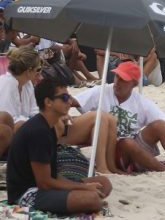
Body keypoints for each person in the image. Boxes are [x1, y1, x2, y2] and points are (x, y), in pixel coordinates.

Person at [73, 61, 165, 177]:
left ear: (133, 84)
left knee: (160, 125)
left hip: (130, 149)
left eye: (123, 80)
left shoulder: (140, 101)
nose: (117, 82)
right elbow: (75, 101)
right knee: (127, 142)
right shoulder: (102, 91)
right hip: (109, 150)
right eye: (117, 77)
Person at [6, 77, 112, 216]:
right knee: (91, 199)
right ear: (48, 102)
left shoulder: (49, 127)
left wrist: (81, 187)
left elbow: (52, 175)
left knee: (104, 182)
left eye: (69, 96)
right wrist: (83, 187)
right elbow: (44, 183)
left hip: (44, 186)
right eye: (64, 97)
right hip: (27, 193)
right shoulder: (39, 131)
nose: (70, 101)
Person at [0, 46, 41, 158]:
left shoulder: (27, 85)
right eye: (38, 70)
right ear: (29, 71)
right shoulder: (6, 84)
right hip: (5, 132)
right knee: (12, 121)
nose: (39, 74)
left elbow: (34, 111)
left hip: (15, 132)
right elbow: (8, 119)